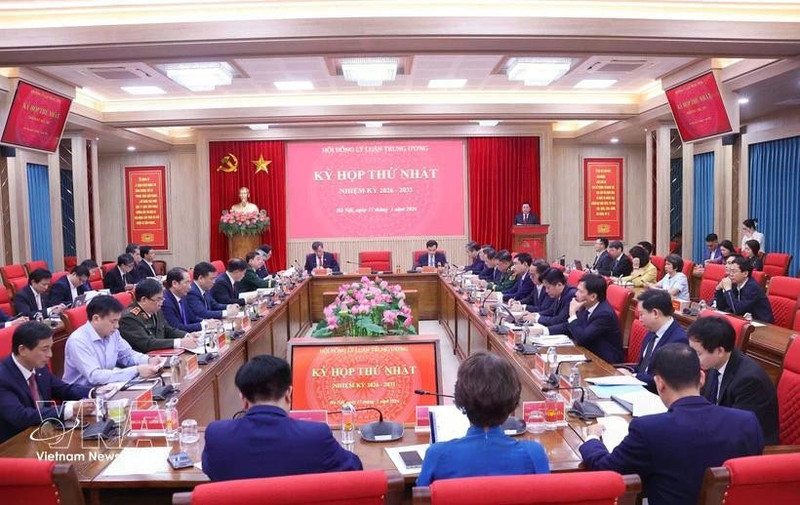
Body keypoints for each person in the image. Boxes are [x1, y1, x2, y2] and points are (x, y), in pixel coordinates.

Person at [580, 343, 764, 505]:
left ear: (659, 383)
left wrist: (592, 439)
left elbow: (606, 472)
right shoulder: (748, 422)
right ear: (701, 378)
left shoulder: (648, 430)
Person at [202, 355, 362, 481]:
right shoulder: (315, 435)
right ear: (288, 394)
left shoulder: (217, 435)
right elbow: (354, 468)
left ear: (243, 399)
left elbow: (210, 470)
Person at [417, 352, 549, 485]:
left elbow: (421, 496)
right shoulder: (534, 453)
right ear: (513, 405)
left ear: (460, 401)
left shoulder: (437, 454)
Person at [687, 317, 779, 445]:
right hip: (722, 432)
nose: (693, 358)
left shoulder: (749, 380)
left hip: (751, 448)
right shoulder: (716, 363)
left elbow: (739, 429)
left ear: (719, 351)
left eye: (698, 353)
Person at [0, 322, 94, 443]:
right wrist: (69, 410)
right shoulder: (3, 377)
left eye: (50, 347)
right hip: (15, 444)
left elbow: (63, 389)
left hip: (47, 433)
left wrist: (94, 392)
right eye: (45, 349)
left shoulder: (39, 367)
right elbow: (21, 417)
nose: (50, 354)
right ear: (22, 350)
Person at [63, 295, 162, 387]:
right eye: (112, 321)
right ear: (96, 318)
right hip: (83, 395)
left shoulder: (113, 333)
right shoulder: (78, 341)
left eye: (118, 321)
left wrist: (149, 360)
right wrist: (136, 370)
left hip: (108, 387)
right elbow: (94, 376)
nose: (117, 326)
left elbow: (127, 355)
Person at [119, 278, 200, 353]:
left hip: (161, 353)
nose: (161, 302)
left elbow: (168, 329)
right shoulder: (130, 318)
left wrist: (187, 335)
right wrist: (180, 342)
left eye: (162, 298)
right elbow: (147, 343)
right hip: (146, 360)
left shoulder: (155, 310)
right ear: (144, 300)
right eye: (158, 299)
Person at [630, 289, 687, 390]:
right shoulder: (652, 331)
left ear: (655, 313)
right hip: (638, 388)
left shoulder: (679, 341)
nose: (640, 319)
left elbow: (665, 380)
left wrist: (633, 377)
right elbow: (642, 367)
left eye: (642, 314)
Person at [561, 274, 623, 363]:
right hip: (588, 353)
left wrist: (572, 313)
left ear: (593, 296)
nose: (576, 294)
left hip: (605, 363)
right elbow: (570, 326)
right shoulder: (586, 305)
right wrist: (544, 330)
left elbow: (582, 338)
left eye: (580, 291)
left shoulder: (604, 314)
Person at [714, 256, 774, 323]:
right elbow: (722, 307)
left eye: (734, 271)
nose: (730, 274)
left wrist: (728, 290)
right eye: (730, 271)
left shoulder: (752, 287)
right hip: (745, 321)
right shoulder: (735, 284)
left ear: (745, 273)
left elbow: (737, 309)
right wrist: (718, 289)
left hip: (762, 324)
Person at [162, 268, 203, 333]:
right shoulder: (165, 302)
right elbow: (177, 327)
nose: (190, 287)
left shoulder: (182, 296)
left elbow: (192, 318)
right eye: (187, 282)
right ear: (174, 283)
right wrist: (203, 325)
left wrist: (206, 322)